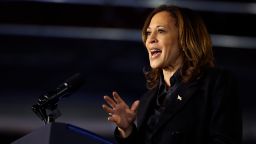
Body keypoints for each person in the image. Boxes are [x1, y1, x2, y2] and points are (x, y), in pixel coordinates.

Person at [102, 4, 242, 144]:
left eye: (161, 31)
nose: (150, 40)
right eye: (149, 33)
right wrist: (127, 131)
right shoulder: (147, 100)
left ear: (184, 38)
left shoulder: (216, 83)